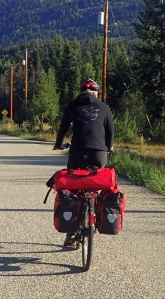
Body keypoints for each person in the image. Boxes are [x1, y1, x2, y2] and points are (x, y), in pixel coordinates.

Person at [53, 78, 115, 249]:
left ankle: (71, 233)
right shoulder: (104, 107)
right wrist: (108, 147)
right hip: (99, 153)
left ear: (81, 91)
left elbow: (63, 127)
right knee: (97, 182)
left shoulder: (73, 105)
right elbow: (110, 131)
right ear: (95, 93)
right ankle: (96, 212)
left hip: (77, 152)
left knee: (73, 188)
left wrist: (59, 144)